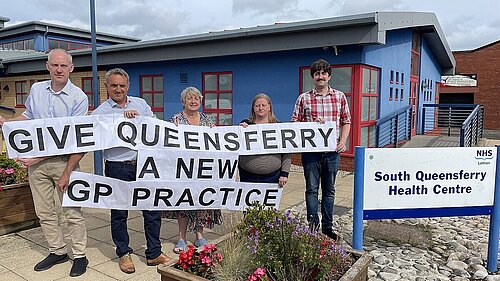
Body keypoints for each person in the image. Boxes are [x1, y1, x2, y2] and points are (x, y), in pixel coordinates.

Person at [58, 68, 171, 274]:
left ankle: (154, 252)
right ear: (107, 87)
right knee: (119, 213)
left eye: (122, 85)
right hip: (117, 167)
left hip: (144, 164)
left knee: (152, 210)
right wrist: (67, 171)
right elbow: (87, 142)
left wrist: (139, 120)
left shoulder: (141, 105)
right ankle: (124, 253)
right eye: (114, 85)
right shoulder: (101, 112)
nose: (118, 89)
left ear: (128, 86)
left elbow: (155, 128)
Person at [0, 49, 89, 277]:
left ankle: (79, 255)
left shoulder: (79, 98)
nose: (59, 70)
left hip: (63, 163)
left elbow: (72, 140)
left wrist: (66, 171)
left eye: (64, 66)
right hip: (36, 164)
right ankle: (57, 251)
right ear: (47, 66)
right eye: (55, 65)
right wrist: (8, 124)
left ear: (71, 68)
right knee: (45, 212)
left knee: (72, 212)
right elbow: (29, 116)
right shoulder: (37, 89)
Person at [290, 59, 351, 242]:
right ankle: (313, 227)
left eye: (323, 73)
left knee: (329, 190)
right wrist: (310, 125)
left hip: (332, 152)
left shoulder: (339, 97)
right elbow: (294, 123)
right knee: (311, 190)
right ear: (313, 77)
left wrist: (343, 141)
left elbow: (346, 121)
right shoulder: (304, 98)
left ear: (329, 76)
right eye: (317, 74)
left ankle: (327, 227)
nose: (320, 76)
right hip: (311, 152)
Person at [163, 86, 222, 254]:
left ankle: (199, 235)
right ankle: (181, 238)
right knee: (183, 203)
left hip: (203, 169)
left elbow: (217, 141)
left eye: (196, 98)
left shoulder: (208, 121)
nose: (193, 101)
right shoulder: (176, 120)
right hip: (183, 169)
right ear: (184, 101)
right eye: (190, 98)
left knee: (202, 202)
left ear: (201, 101)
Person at [238, 93, 291, 186]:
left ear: (269, 107)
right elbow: (236, 147)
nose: (260, 108)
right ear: (253, 108)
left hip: (273, 177)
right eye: (257, 106)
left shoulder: (279, 127)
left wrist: (284, 173)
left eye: (263, 105)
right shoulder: (245, 126)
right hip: (247, 176)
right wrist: (239, 131)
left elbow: (286, 153)